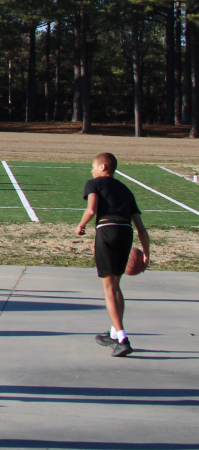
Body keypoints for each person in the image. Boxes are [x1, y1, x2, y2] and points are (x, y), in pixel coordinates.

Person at [75, 152, 151, 357]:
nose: (91, 170)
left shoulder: (94, 184)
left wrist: (81, 225)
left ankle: (123, 338)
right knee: (116, 286)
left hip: (107, 231)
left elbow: (91, 210)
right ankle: (114, 333)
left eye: (93, 166)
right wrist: (146, 254)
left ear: (103, 167)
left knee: (108, 288)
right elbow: (141, 229)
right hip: (126, 232)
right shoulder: (126, 190)